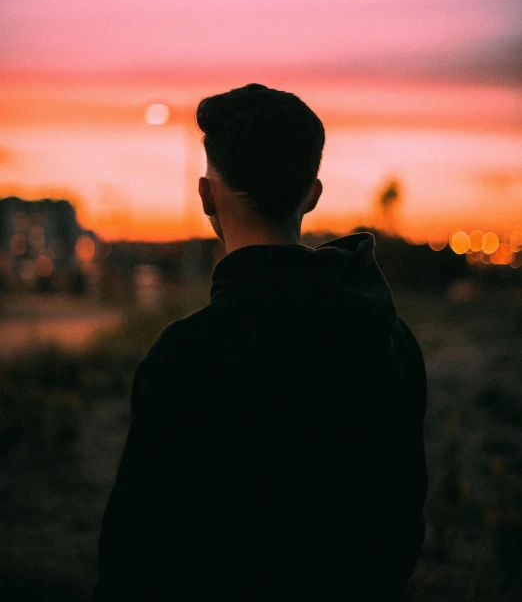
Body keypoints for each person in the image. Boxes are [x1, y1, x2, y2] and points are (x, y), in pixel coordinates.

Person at [92, 83, 427, 601]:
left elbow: (135, 552)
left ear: (206, 196)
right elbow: (401, 523)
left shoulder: (188, 356)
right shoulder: (388, 339)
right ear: (312, 195)